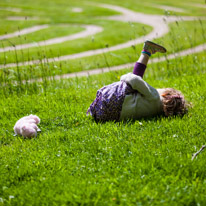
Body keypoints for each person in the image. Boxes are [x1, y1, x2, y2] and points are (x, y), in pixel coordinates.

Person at [87, 40, 188, 122]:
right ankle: (147, 51)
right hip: (108, 115)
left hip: (113, 99)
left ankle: (147, 51)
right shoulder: (154, 113)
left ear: (165, 94)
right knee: (134, 92)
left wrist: (124, 78)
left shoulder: (155, 97)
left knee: (132, 83)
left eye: (163, 88)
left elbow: (135, 80)